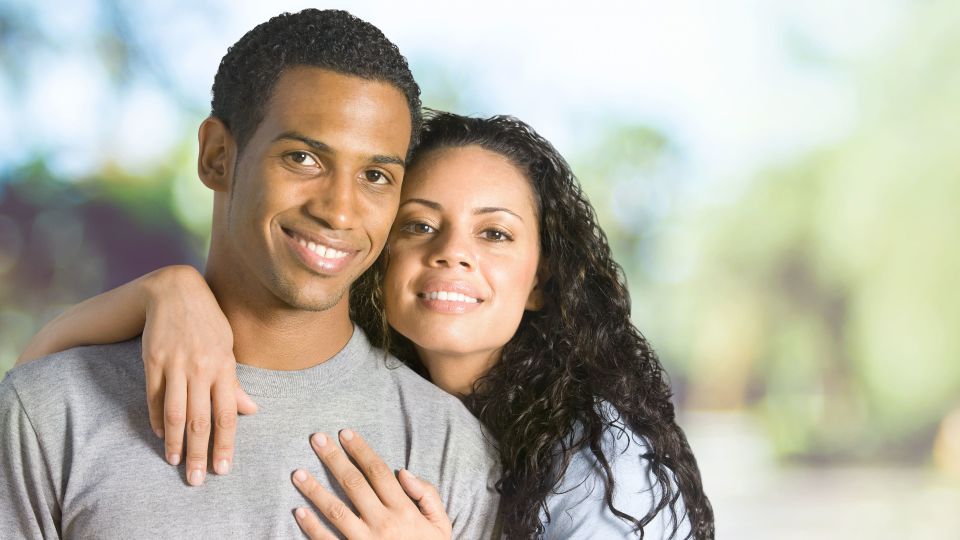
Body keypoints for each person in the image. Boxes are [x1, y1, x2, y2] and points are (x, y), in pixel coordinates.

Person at [18, 111, 716, 538]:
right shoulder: (378, 389)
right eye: (419, 225)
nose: (451, 252)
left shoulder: (598, 465)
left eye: (495, 235)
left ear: (541, 284)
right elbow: (35, 377)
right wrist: (162, 292)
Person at [0, 10, 501, 539]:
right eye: (304, 158)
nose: (340, 212)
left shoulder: (451, 449)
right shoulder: (53, 410)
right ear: (217, 156)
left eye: (376, 175)